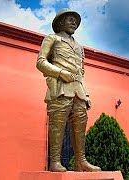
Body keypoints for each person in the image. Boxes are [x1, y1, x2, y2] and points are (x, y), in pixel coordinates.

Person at [36, 9, 101, 172]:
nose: (74, 22)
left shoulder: (79, 47)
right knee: (57, 124)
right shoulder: (52, 38)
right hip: (59, 88)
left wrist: (86, 94)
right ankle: (55, 162)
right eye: (70, 19)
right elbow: (40, 62)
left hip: (78, 91)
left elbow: (82, 72)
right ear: (60, 22)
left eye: (76, 21)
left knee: (80, 124)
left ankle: (81, 161)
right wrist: (60, 73)